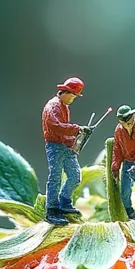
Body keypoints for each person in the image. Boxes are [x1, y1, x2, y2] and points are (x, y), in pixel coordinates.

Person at [42, 77, 90, 226]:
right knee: (55, 177)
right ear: (67, 92)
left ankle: (64, 201)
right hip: (55, 147)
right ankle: (52, 209)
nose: (73, 99)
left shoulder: (65, 107)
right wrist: (77, 129)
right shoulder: (53, 106)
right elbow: (54, 126)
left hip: (66, 146)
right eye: (74, 96)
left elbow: (64, 130)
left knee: (75, 176)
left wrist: (75, 140)